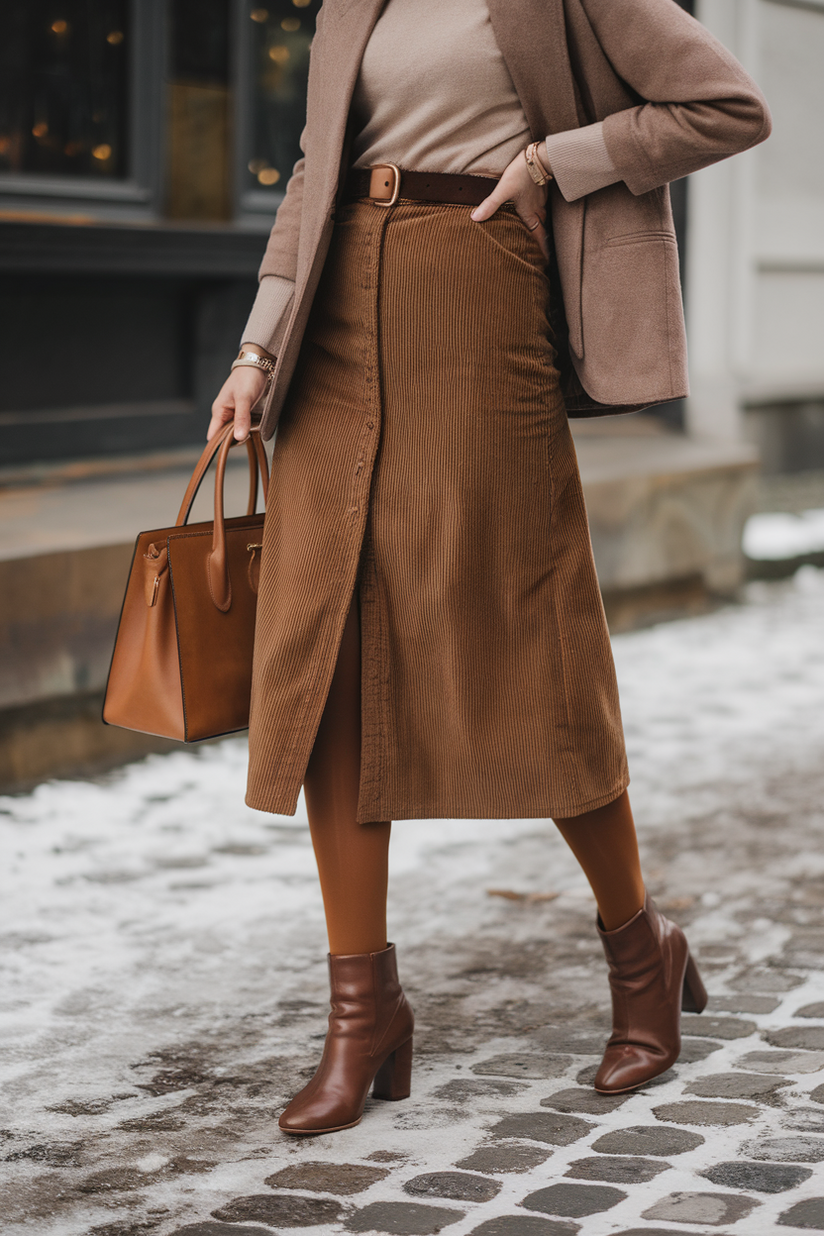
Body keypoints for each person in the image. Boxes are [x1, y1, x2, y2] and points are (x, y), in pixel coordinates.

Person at [208, 0, 771, 1136]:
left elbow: (724, 106)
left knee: (530, 644)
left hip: (480, 305)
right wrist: (255, 351)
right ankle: (362, 1013)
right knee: (325, 655)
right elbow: (316, 177)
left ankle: (638, 956)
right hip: (331, 331)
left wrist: (557, 160)